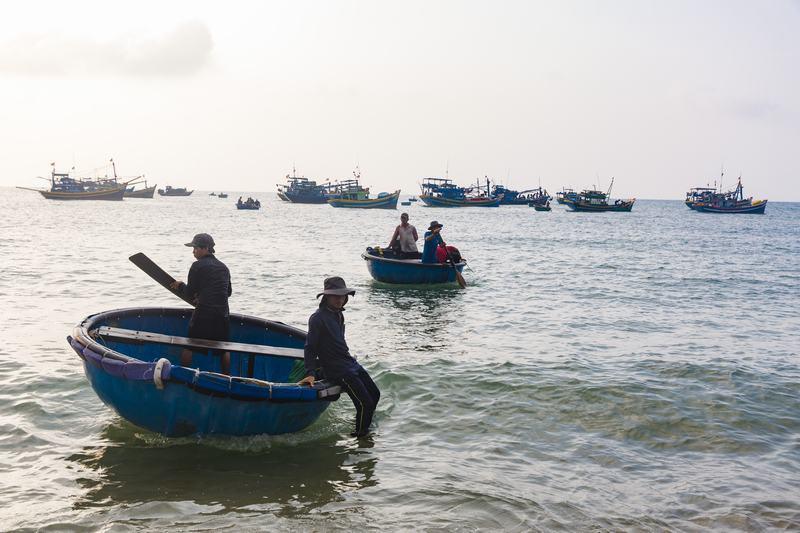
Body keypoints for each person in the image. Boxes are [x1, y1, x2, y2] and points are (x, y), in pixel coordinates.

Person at [299, 277, 380, 438]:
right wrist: (310, 373)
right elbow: (310, 348)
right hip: (338, 369)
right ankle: (361, 437)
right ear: (326, 297)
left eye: (342, 296)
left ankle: (361, 423)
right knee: (366, 403)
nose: (340, 299)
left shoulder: (338, 315)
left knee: (375, 394)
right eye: (335, 296)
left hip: (349, 362)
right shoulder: (317, 318)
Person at [169, 233, 233, 373]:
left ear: (206, 248)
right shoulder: (224, 267)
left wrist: (180, 285)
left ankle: (184, 375)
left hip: (203, 313)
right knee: (223, 349)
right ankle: (227, 378)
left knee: (189, 345)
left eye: (195, 248)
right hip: (222, 314)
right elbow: (227, 292)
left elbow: (189, 293)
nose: (193, 251)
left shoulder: (197, 266)